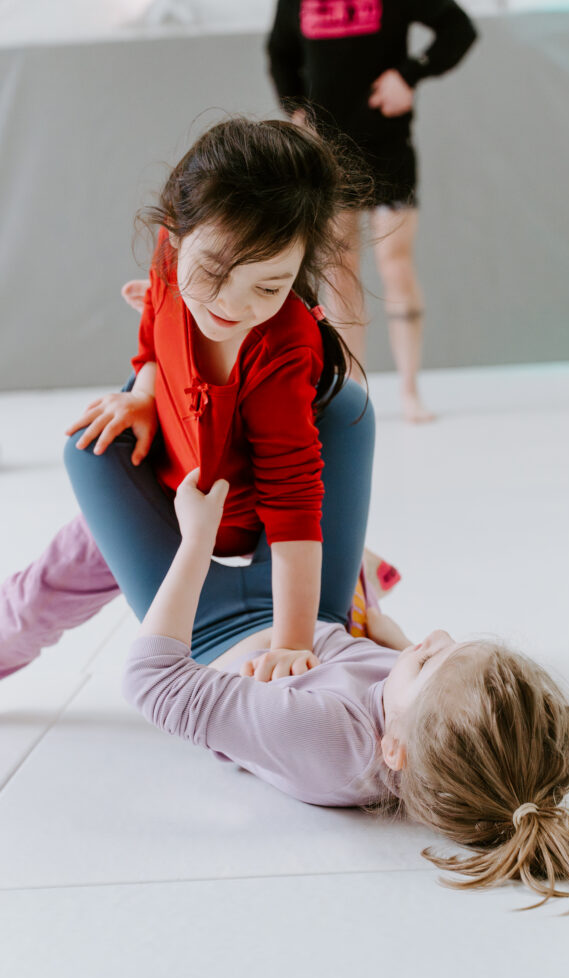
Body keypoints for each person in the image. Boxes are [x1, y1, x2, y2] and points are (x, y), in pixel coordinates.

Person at [60, 379, 569, 914]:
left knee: (93, 450)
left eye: (431, 658)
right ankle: (356, 570)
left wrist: (196, 540)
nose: (435, 637)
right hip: (313, 614)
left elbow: (152, 682)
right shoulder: (421, 735)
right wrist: (397, 648)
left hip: (210, 624)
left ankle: (162, 368)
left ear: (392, 748)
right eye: (449, 645)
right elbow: (413, 696)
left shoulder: (324, 736)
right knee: (344, 406)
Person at [0, 116, 374, 682]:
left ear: (299, 270)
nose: (232, 304)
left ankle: (362, 588)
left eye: (269, 287)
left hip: (250, 517)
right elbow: (153, 328)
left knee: (315, 625)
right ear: (174, 234)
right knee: (42, 593)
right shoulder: (169, 256)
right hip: (165, 485)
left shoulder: (282, 348)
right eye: (215, 271)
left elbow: (294, 501)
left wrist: (293, 644)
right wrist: (145, 392)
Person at [265, 0, 478, 423]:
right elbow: (279, 53)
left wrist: (409, 75)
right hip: (328, 153)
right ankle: (351, 393)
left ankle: (409, 389)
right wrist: (294, 110)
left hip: (387, 147)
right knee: (338, 271)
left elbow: (458, 28)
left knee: (395, 263)